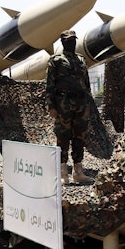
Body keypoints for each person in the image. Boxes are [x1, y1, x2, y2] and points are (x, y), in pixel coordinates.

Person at [46, 30, 93, 183]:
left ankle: (78, 171)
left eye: (73, 40)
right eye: (68, 40)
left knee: (80, 137)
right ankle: (62, 172)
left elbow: (86, 84)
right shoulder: (56, 60)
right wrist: (51, 106)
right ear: (63, 42)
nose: (71, 42)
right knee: (63, 137)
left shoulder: (81, 59)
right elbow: (50, 86)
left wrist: (88, 104)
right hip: (63, 105)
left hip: (81, 104)